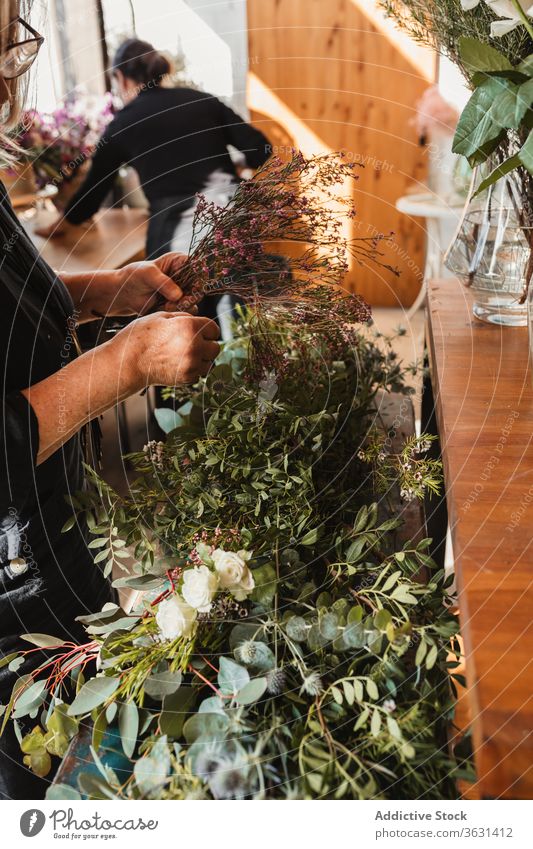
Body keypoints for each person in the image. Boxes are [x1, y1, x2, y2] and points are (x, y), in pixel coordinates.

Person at [0, 4, 220, 799]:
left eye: (11, 45)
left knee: (101, 688)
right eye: (1, 50)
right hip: (9, 570)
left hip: (47, 529)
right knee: (43, 766)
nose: (9, 76)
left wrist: (108, 291)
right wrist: (126, 362)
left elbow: (11, 292)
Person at [38, 37, 271, 326]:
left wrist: (59, 226)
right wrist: (231, 165)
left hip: (176, 233)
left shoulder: (123, 124)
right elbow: (261, 149)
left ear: (121, 78)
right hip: (235, 217)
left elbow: (93, 191)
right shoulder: (201, 100)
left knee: (188, 330)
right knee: (244, 325)